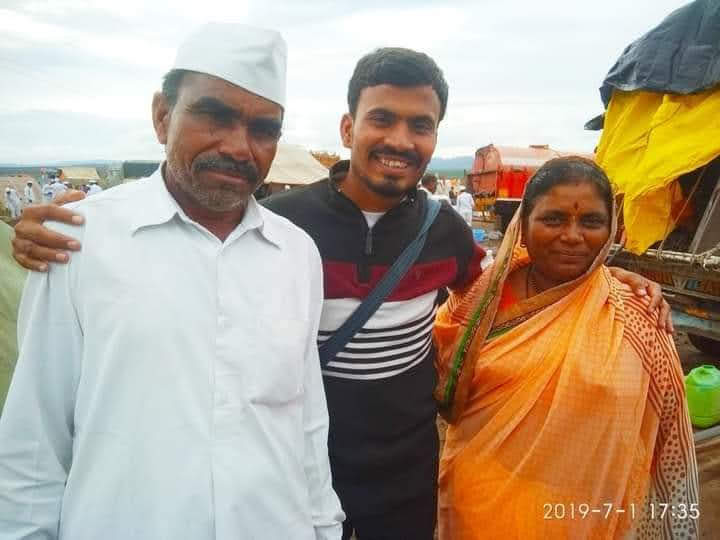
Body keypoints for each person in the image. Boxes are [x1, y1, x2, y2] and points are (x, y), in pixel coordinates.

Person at [9, 48, 673, 540]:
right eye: (383, 119)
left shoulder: (443, 230)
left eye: (422, 126)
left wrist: (613, 286)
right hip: (288, 480)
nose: (400, 140)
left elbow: (511, 288)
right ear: (348, 126)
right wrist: (51, 231)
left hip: (406, 476)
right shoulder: (280, 226)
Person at [0, 23, 343, 540]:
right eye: (215, 115)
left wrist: (323, 528)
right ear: (163, 116)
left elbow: (305, 420)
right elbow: (34, 445)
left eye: (264, 128)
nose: (239, 146)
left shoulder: (296, 254)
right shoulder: (81, 240)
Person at [433, 157, 698, 539]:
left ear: (611, 230)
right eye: (553, 219)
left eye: (591, 222)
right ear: (523, 224)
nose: (573, 236)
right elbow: (442, 380)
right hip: (481, 503)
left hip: (582, 515)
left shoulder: (638, 313)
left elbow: (666, 428)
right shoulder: (479, 298)